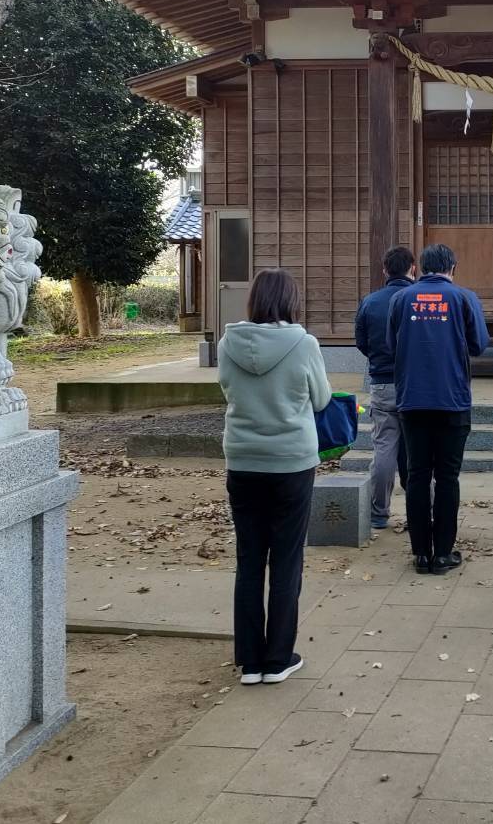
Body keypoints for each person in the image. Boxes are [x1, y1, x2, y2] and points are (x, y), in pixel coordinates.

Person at [217, 268, 331, 686]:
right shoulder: (304, 343)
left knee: (249, 559)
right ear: (290, 301)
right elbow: (320, 399)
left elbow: (226, 390)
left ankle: (249, 661)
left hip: (243, 458)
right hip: (292, 461)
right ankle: (278, 658)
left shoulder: (228, 342)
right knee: (286, 560)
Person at [386, 243, 489, 576]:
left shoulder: (401, 299)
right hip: (452, 400)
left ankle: (420, 554)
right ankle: (443, 553)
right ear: (453, 267)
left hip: (412, 400)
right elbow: (479, 345)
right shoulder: (463, 298)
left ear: (420, 269)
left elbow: (391, 345)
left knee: (416, 476)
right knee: (447, 478)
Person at [354, 245, 416, 529]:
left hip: (381, 382)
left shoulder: (370, 302)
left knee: (383, 449)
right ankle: (422, 511)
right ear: (412, 268)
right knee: (419, 452)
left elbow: (362, 342)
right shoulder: (419, 300)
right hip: (415, 385)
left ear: (384, 270)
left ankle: (379, 512)